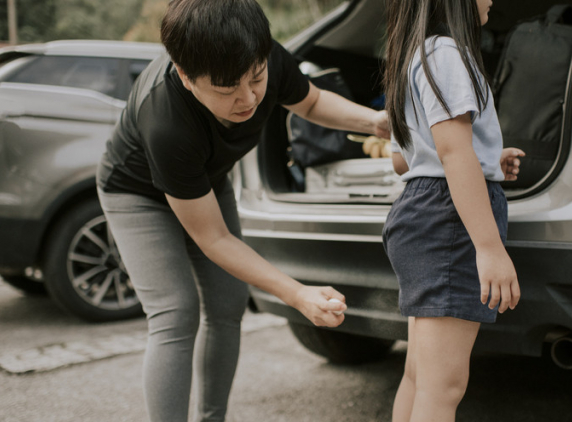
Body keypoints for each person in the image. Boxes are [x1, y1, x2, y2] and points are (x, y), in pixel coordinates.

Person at [96, 0, 389, 421]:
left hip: (206, 182)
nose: (248, 98)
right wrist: (297, 293)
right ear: (185, 76)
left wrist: (374, 122)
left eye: (256, 79)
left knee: (228, 301)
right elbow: (212, 238)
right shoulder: (166, 121)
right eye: (226, 89)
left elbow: (310, 102)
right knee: (176, 313)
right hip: (137, 194)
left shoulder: (258, 52)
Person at [382, 1, 524, 421]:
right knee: (444, 386)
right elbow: (451, 149)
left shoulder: (415, 56)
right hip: (449, 222)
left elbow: (404, 159)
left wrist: (487, 160)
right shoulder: (447, 54)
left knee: (421, 377)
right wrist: (490, 248)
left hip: (423, 213)